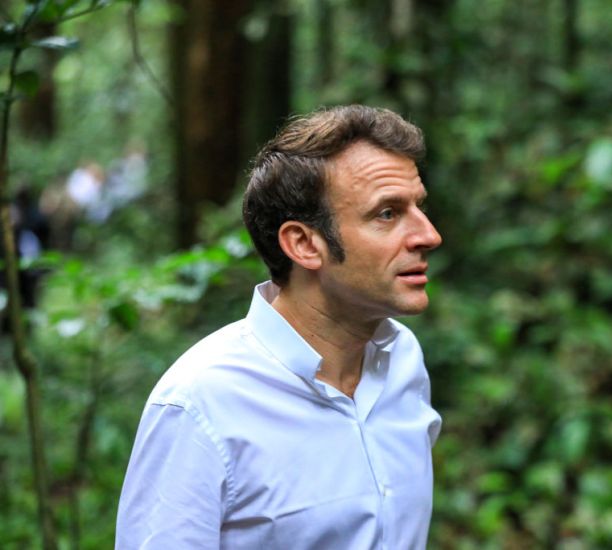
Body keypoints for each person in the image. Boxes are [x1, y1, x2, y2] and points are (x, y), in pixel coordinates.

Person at [116, 105, 443, 549]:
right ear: (304, 244)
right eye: (387, 213)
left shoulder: (402, 360)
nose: (428, 235)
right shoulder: (199, 404)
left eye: (418, 206)